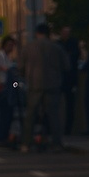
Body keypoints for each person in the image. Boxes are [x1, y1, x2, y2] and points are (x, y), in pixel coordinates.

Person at [21, 21, 67, 151]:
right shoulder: (56, 48)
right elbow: (66, 66)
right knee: (54, 115)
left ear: (37, 33)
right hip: (53, 85)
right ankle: (56, 143)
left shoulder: (28, 47)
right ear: (48, 34)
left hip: (34, 85)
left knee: (30, 115)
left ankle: (26, 144)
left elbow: (20, 67)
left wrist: (27, 76)